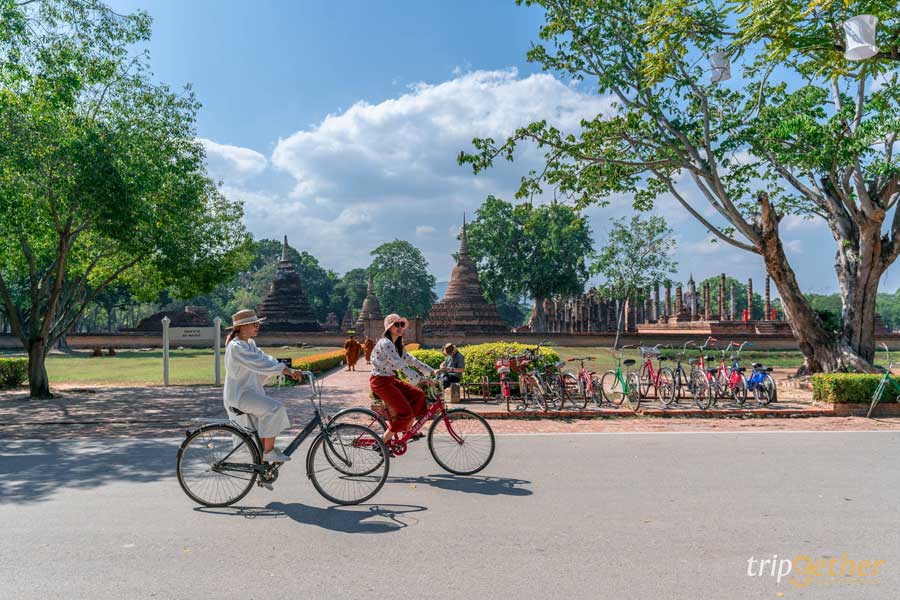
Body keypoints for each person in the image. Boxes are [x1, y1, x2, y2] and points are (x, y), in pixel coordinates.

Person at [223, 309, 301, 463]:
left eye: (258, 324)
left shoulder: (249, 343)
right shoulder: (236, 346)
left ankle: (262, 468)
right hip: (240, 395)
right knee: (274, 408)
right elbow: (260, 363)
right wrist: (285, 370)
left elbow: (265, 358)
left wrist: (286, 369)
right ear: (243, 327)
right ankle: (269, 452)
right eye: (254, 324)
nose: (257, 327)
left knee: (260, 431)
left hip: (249, 393)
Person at [369, 314, 435, 443]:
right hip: (380, 382)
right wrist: (420, 379)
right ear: (389, 328)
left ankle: (407, 430)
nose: (400, 327)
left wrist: (431, 371)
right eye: (396, 324)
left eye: (402, 324)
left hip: (390, 380)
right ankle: (381, 443)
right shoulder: (386, 343)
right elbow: (399, 365)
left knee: (418, 395)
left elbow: (411, 360)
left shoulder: (396, 345)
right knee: (405, 413)